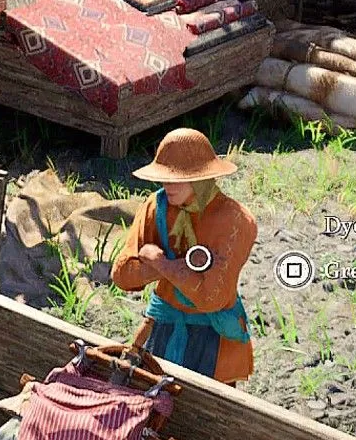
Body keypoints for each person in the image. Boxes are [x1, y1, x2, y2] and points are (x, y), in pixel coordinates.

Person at [110, 128, 256, 383]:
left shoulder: (235, 220)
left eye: (178, 178)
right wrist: (169, 269)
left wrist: (161, 263)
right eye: (165, 178)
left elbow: (212, 298)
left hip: (215, 338)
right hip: (162, 330)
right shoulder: (156, 207)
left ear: (201, 178)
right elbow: (121, 275)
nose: (167, 185)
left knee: (210, 404)